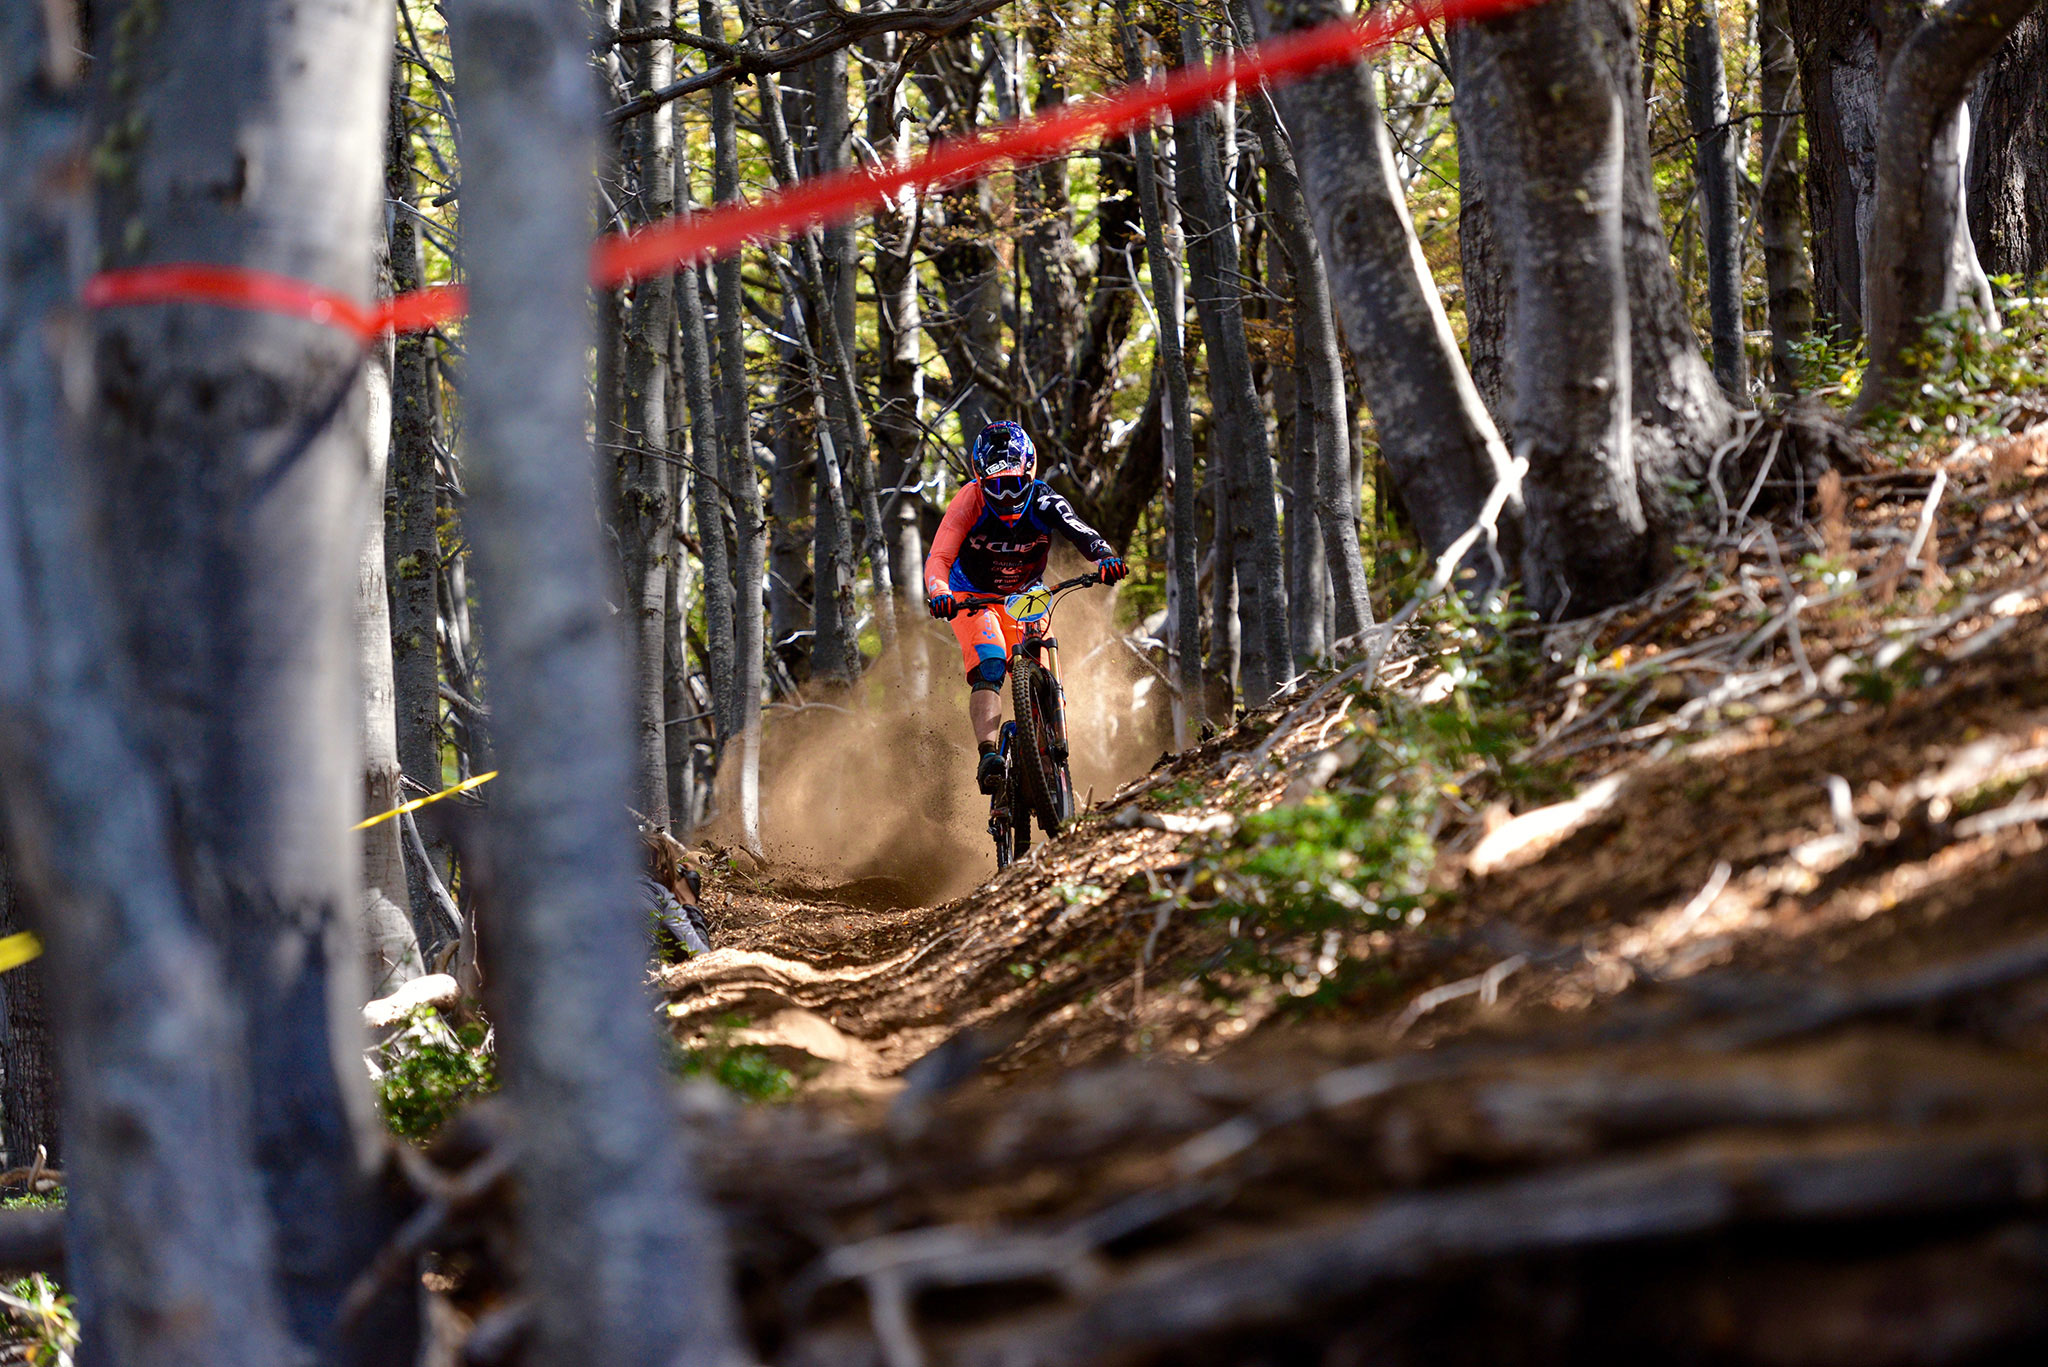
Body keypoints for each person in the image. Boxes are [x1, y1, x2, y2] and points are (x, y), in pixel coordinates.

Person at [923, 421, 1128, 795]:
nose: (1005, 496)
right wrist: (940, 592)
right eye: (995, 487)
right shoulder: (969, 501)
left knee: (1043, 667)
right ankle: (989, 757)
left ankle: (1052, 755)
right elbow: (939, 557)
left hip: (1026, 594)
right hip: (972, 596)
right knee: (990, 662)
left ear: (1029, 474)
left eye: (1013, 484)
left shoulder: (1045, 500)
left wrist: (1105, 557)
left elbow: (1078, 530)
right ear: (979, 480)